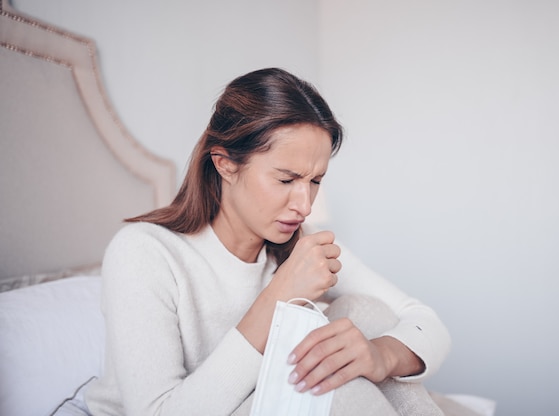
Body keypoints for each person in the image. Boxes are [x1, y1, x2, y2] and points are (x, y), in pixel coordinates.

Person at [83, 67, 452, 416]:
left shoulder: (297, 245)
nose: (304, 204)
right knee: (338, 389)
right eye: (286, 179)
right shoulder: (144, 252)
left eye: (315, 180)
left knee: (364, 314)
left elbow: (425, 322)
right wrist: (280, 295)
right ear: (225, 164)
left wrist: (380, 356)